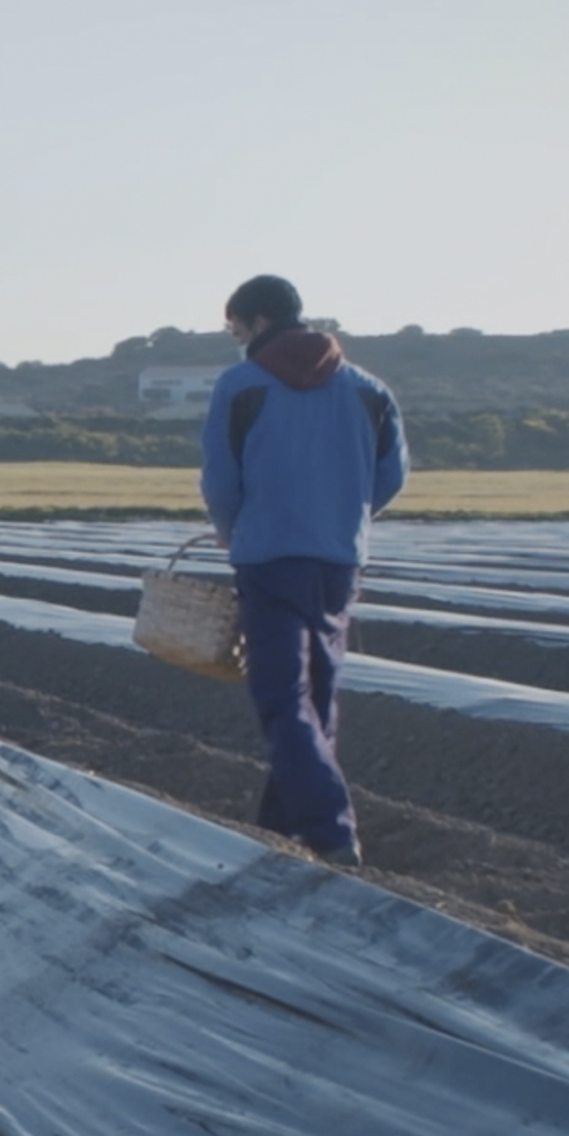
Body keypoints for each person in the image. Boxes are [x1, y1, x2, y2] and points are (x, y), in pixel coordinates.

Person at [199, 275, 407, 868]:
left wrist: (230, 527)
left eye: (234, 326)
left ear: (258, 323)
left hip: (268, 555)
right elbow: (391, 476)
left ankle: (331, 830)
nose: (234, 337)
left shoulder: (241, 384)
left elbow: (220, 477)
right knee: (319, 695)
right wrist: (348, 517)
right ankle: (278, 828)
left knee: (282, 697)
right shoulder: (369, 389)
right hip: (339, 560)